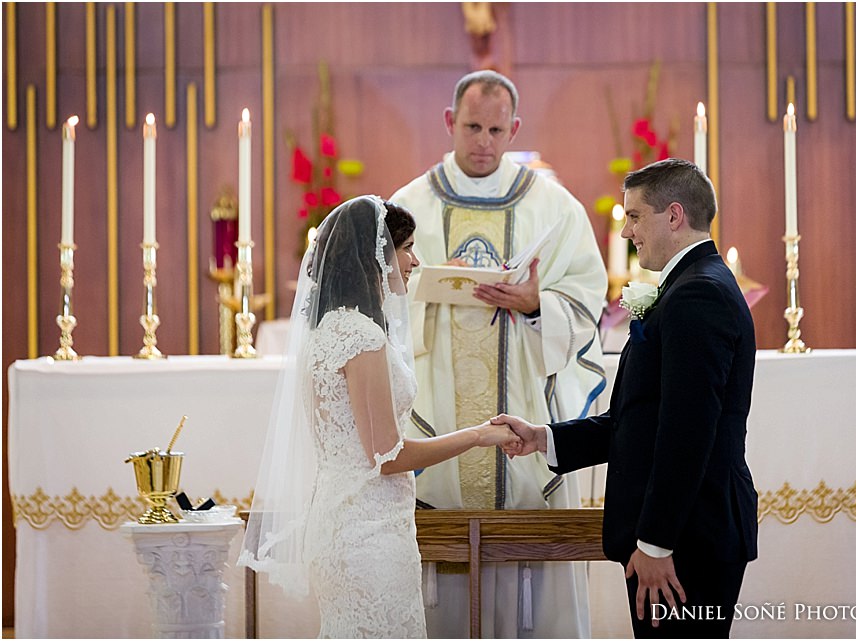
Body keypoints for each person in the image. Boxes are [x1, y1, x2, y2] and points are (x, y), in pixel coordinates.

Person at [496, 159, 759, 639]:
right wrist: (545, 438)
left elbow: (687, 433)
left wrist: (657, 544)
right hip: (681, 535)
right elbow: (640, 419)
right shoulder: (690, 287)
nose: (626, 232)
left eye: (635, 216)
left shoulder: (698, 295)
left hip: (683, 543)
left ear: (674, 216)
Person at [239, 195, 520, 638]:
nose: (414, 260)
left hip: (341, 521)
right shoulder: (361, 336)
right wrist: (476, 436)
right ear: (374, 255)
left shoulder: (326, 331)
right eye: (405, 247)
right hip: (368, 536)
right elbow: (386, 456)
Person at [390, 70, 607, 638]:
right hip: (436, 408)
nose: (482, 141)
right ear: (448, 123)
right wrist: (429, 286)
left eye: (494, 129)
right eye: (471, 127)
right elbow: (376, 302)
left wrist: (538, 305)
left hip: (525, 415)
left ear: (513, 129)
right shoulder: (406, 206)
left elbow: (586, 302)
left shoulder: (555, 208)